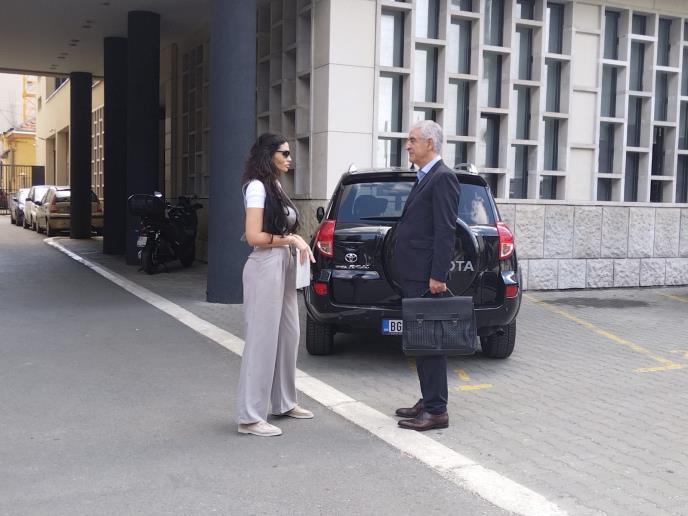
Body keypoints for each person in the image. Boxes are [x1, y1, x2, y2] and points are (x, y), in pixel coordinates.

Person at [236, 133, 315, 437]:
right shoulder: (257, 187)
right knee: (262, 340)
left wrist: (292, 243)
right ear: (269, 155)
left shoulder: (275, 186)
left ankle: (283, 402)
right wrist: (291, 239)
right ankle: (249, 417)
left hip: (282, 263)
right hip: (265, 264)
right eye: (284, 153)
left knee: (288, 335)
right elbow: (254, 236)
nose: (289, 159)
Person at [393, 120, 461, 431]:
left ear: (430, 144)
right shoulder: (425, 177)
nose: (407, 145)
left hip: (426, 278)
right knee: (421, 341)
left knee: (430, 342)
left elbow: (445, 230)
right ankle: (429, 398)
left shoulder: (443, 177)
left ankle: (436, 411)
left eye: (413, 140)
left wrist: (438, 275)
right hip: (414, 274)